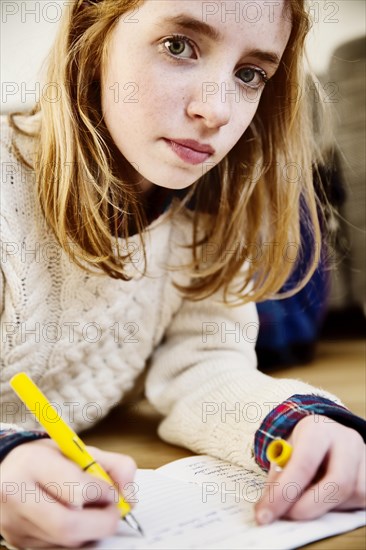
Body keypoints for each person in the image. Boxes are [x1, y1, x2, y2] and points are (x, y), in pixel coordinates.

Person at [0, 0, 365, 547]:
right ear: (90, 40)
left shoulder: (213, 209)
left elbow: (204, 360)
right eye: (178, 46)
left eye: (249, 74)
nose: (217, 110)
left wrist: (295, 421)